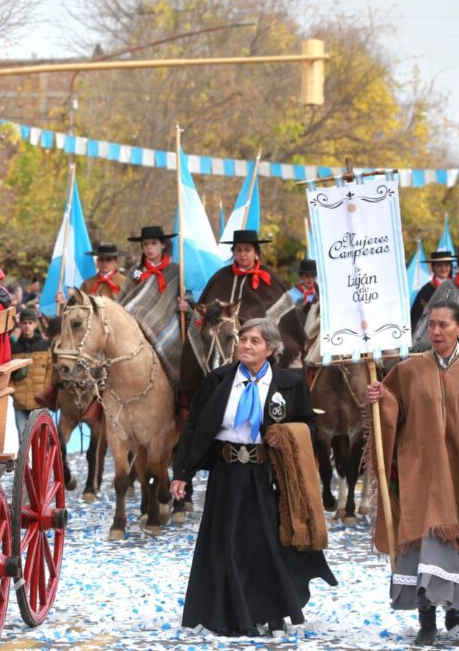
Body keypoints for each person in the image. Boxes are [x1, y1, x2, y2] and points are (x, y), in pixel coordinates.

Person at [172, 318, 336, 636]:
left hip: (267, 472)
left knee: (266, 543)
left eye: (255, 341)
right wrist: (183, 473)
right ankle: (229, 613)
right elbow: (195, 426)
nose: (246, 345)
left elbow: (310, 426)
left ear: (271, 349)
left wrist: (285, 435)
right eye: (243, 339)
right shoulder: (219, 380)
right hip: (226, 472)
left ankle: (273, 610)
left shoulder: (290, 383)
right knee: (226, 541)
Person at [366, 300, 459, 645]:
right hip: (420, 469)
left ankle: (454, 609)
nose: (436, 331)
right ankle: (426, 618)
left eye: (444, 325)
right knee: (423, 541)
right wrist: (381, 396)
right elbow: (392, 404)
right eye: (432, 325)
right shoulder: (410, 368)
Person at [180, 229, 307, 396]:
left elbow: (283, 316)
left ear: (256, 253)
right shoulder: (220, 277)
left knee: (287, 351)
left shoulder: (269, 277)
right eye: (238, 250)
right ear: (233, 253)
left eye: (247, 250)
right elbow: (206, 310)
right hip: (220, 341)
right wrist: (191, 310)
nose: (242, 254)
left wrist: (249, 326)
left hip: (258, 338)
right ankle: (195, 398)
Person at [120, 225, 185, 385]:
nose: (149, 248)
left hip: (165, 324)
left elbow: (186, 297)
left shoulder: (176, 271)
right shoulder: (136, 271)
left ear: (163, 245)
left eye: (154, 243)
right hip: (132, 326)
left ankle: (182, 396)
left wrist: (186, 306)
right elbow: (124, 298)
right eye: (146, 244)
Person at [9, 308, 50, 430]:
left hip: (40, 401)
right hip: (20, 403)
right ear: (20, 325)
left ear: (35, 324)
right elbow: (9, 373)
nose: (27, 326)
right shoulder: (13, 348)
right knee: (23, 441)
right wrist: (14, 392)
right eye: (24, 323)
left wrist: (45, 392)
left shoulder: (45, 345)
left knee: (43, 440)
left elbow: (50, 371)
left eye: (30, 323)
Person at [410, 250, 455, 331]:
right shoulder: (425, 291)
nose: (443, 268)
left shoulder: (457, 288)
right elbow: (416, 319)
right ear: (433, 267)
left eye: (446, 265)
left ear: (450, 267)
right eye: (439, 265)